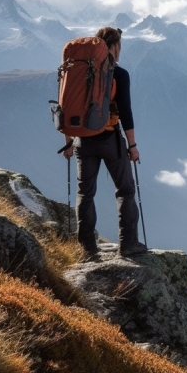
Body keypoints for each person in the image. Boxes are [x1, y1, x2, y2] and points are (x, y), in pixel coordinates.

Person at [62, 27, 146, 260]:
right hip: (109, 138)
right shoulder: (119, 74)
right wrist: (132, 146)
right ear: (115, 45)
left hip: (82, 139)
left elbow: (67, 107)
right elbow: (126, 112)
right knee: (125, 190)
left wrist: (68, 142)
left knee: (85, 192)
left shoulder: (78, 70)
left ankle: (87, 248)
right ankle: (128, 244)